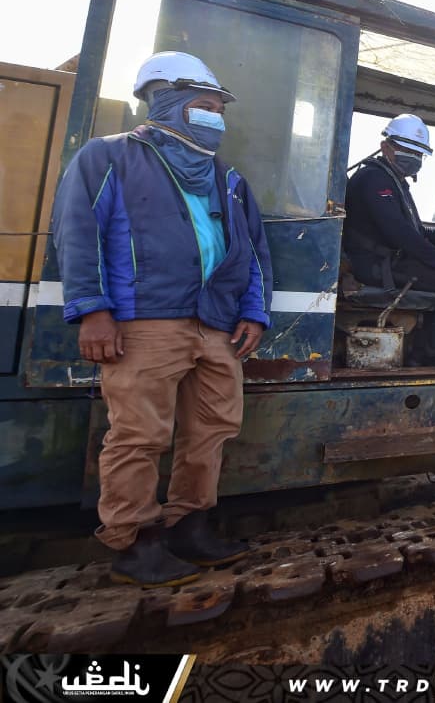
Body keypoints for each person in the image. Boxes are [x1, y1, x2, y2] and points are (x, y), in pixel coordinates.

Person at [50, 51, 273, 588]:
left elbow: (255, 251)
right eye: (204, 105)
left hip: (216, 325)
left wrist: (254, 313)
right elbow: (77, 235)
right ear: (165, 100)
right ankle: (133, 541)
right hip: (144, 322)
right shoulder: (109, 158)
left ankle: (190, 525)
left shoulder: (229, 178)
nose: (216, 116)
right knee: (139, 433)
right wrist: (94, 311)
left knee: (213, 429)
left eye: (220, 108)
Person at [343, 114, 435, 367]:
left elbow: (418, 232)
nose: (413, 158)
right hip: (375, 265)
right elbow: (397, 232)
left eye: (418, 153)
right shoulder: (373, 179)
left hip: (392, 261)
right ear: (386, 146)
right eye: (406, 149)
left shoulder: (395, 182)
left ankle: (422, 352)